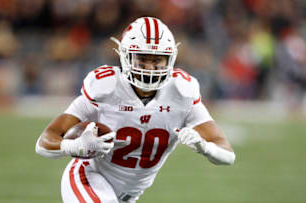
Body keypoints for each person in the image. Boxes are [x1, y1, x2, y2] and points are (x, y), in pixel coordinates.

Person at [35, 17, 235, 203]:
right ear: (125, 56)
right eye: (143, 58)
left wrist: (205, 147)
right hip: (88, 177)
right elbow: (44, 142)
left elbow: (227, 154)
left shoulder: (182, 93)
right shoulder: (106, 88)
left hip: (128, 195)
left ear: (170, 60)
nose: (149, 67)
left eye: (157, 60)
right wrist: (74, 146)